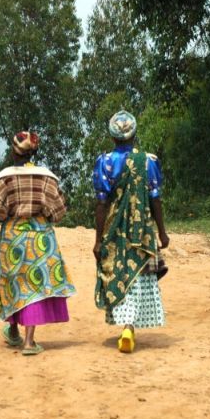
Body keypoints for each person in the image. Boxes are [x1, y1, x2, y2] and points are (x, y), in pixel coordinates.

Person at [0, 131, 76, 356]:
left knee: (13, 282)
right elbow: (58, 211)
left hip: (13, 234)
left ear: (13, 151)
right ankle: (29, 341)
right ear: (32, 153)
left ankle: (15, 331)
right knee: (34, 286)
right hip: (39, 236)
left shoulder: (3, 178)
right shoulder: (46, 177)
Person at [92, 110, 169, 353]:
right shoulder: (148, 161)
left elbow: (101, 203)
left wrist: (98, 239)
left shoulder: (105, 162)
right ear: (134, 135)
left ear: (113, 137)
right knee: (138, 275)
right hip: (141, 229)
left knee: (119, 272)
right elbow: (155, 198)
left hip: (114, 228)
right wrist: (162, 232)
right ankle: (129, 326)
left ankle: (126, 326)